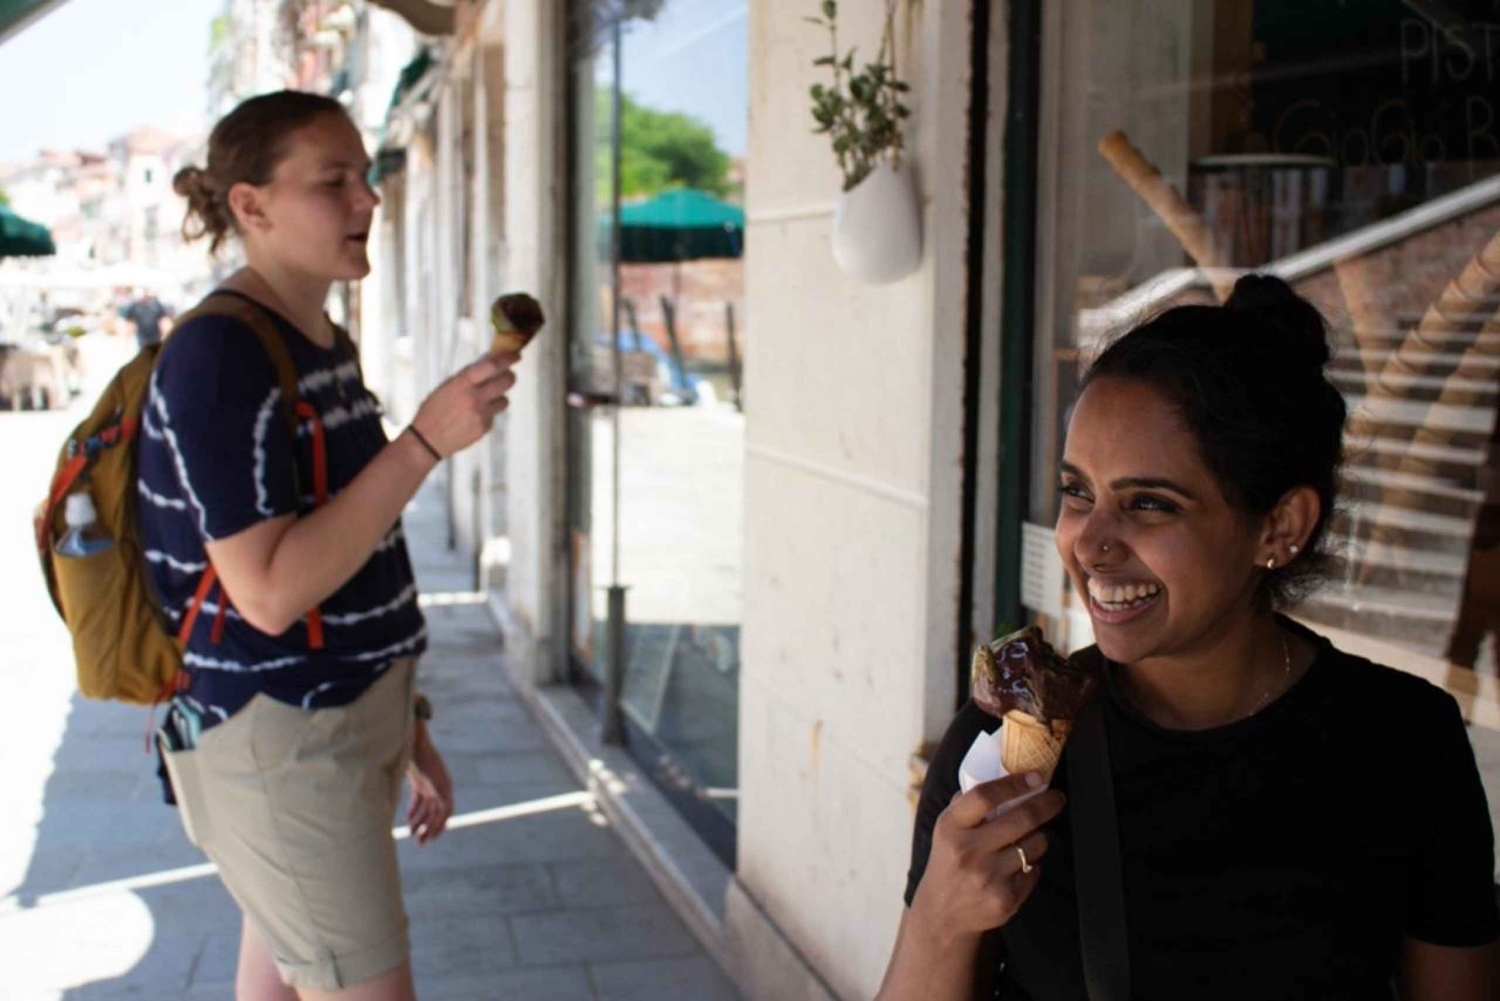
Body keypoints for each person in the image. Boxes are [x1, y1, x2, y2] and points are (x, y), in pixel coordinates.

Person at [881, 275, 1499, 1000]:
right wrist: (939, 921)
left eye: (1149, 503)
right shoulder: (1008, 752)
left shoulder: (1404, 741)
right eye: (1078, 490)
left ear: (1281, 527)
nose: (1090, 542)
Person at [138, 90, 515, 1001]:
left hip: (335, 718)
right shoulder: (220, 356)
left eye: (367, 176)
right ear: (252, 206)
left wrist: (405, 718)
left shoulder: (315, 338)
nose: (368, 200)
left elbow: (358, 545)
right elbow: (266, 590)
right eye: (333, 181)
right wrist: (423, 440)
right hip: (282, 738)